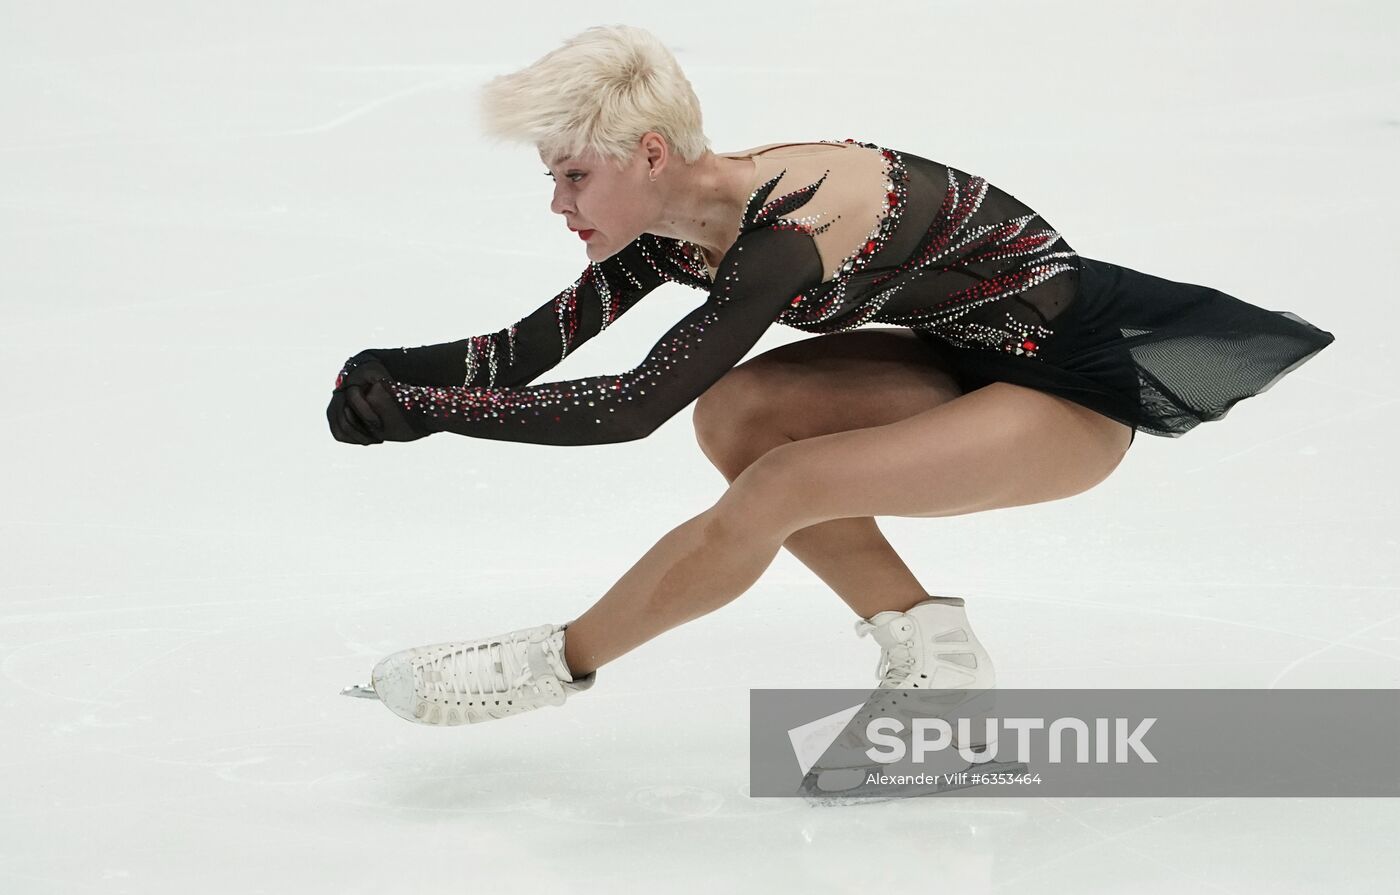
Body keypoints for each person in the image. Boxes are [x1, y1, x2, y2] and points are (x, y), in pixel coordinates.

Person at [328, 25, 1335, 732]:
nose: (556, 201)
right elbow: (523, 354)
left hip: (1072, 392)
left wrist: (431, 414)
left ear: (645, 154)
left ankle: (551, 664)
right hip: (963, 363)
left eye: (572, 176)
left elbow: (628, 407)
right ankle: (939, 665)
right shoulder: (667, 227)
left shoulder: (787, 225)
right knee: (740, 415)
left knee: (784, 481)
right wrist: (386, 375)